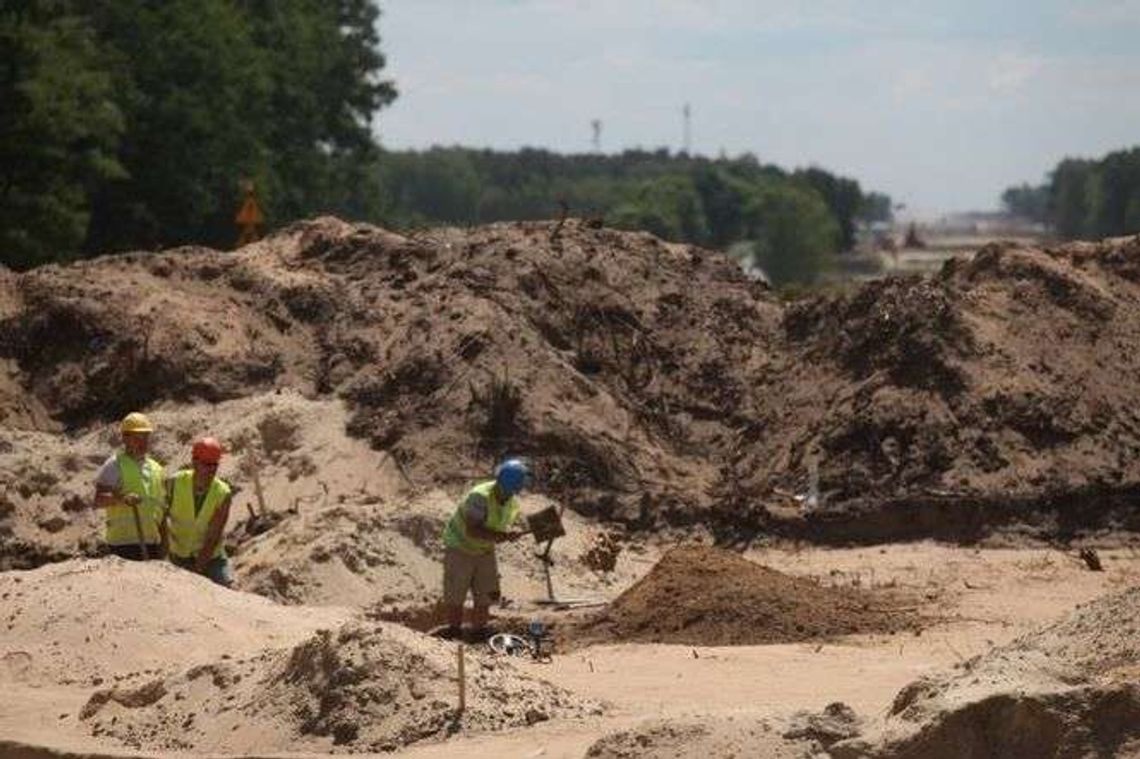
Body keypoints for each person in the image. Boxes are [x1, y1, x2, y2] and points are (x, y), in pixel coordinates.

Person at [439, 458, 531, 640]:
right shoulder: (479, 496)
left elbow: (504, 522)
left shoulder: (510, 501)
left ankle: (479, 632)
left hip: (484, 551)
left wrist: (513, 531)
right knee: (456, 594)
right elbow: (472, 530)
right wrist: (504, 537)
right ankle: (454, 633)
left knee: (485, 595)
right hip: (461, 548)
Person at [162, 437, 235, 587]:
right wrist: (163, 554)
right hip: (178, 554)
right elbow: (161, 518)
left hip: (211, 558)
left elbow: (213, 537)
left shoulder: (222, 493)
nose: (211, 470)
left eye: (214, 465)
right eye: (207, 464)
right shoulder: (174, 483)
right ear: (194, 462)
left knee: (226, 589)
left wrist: (197, 571)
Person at [93, 412, 166, 560]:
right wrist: (123, 499)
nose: (143, 442)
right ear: (125, 438)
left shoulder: (157, 469)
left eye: (146, 437)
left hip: (152, 544)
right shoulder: (114, 464)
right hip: (123, 545)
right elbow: (99, 499)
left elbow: (161, 509)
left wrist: (165, 546)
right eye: (138, 437)